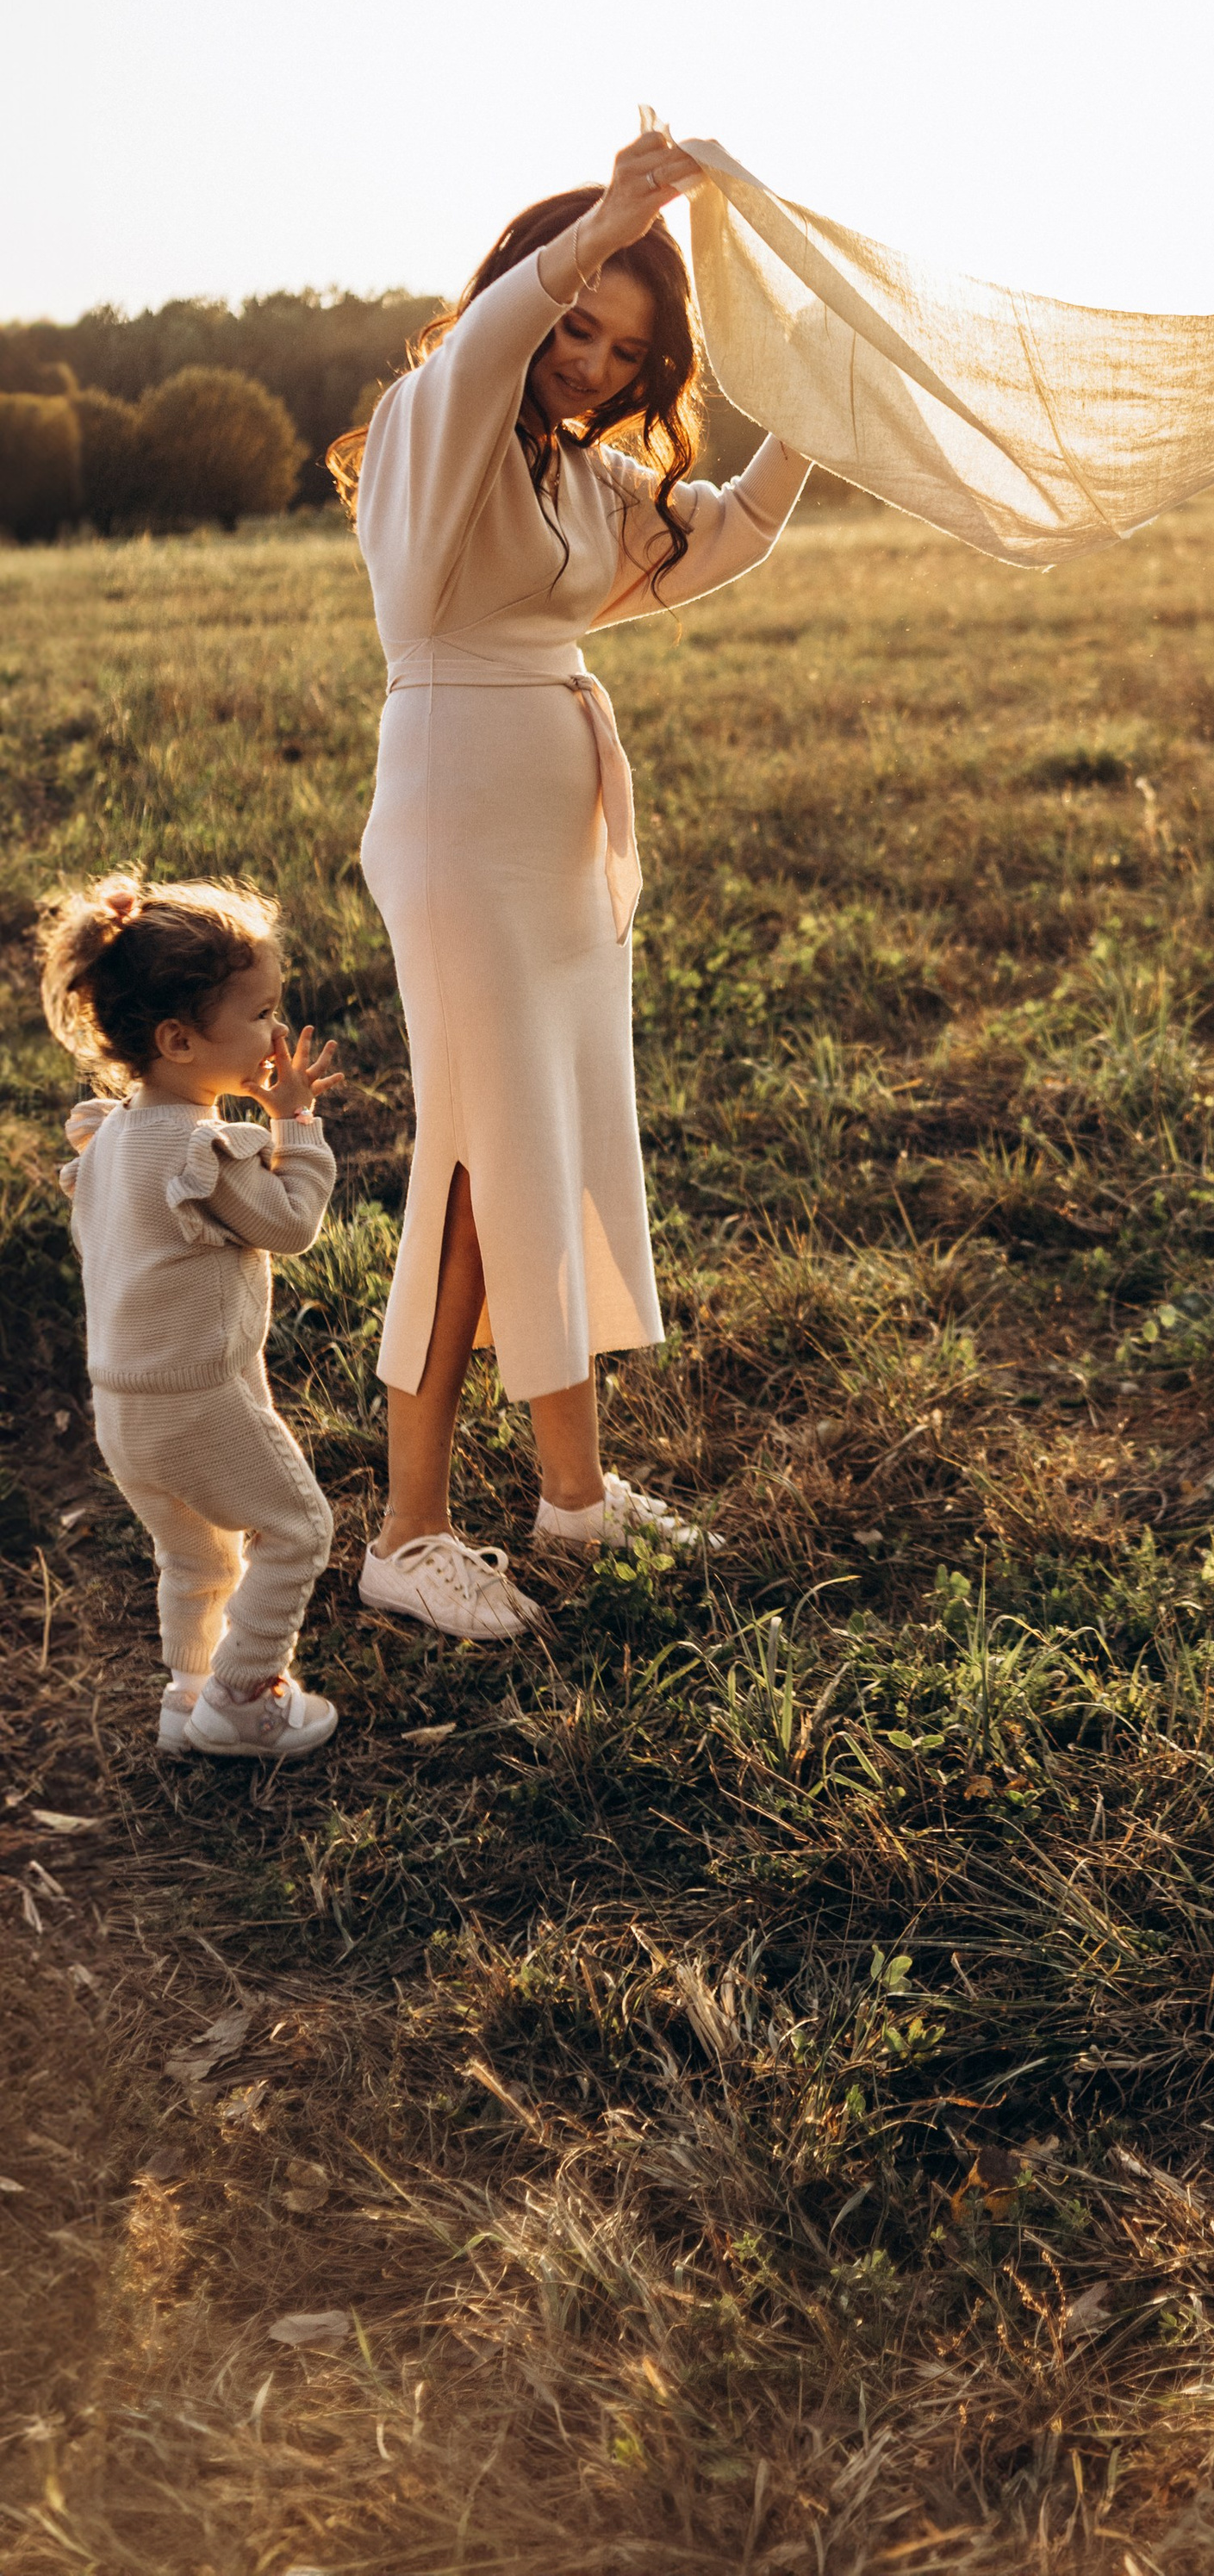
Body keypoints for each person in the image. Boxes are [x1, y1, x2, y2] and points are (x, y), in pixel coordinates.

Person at [329, 134, 812, 1638]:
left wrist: (807, 412)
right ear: (523, 304)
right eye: (574, 327)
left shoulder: (568, 474)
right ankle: (406, 1534)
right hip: (459, 818)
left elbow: (716, 536)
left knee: (555, 1143)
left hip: (549, 841)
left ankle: (575, 1499)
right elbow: (485, 351)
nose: (589, 364)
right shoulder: (441, 416)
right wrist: (611, 218)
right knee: (476, 1170)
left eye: (624, 348)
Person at [41, 873, 346, 1758]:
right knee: (297, 1529)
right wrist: (295, 1124)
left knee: (197, 1556)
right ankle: (246, 1696)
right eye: (259, 1014)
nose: (277, 1035)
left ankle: (187, 1698)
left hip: (123, 1412)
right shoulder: (200, 1149)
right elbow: (290, 1226)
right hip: (198, 1400)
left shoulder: (111, 1139)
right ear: (179, 1039)